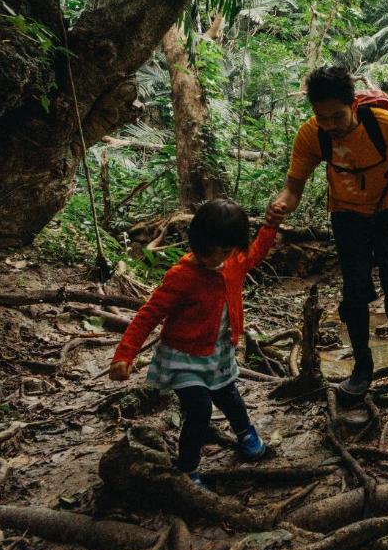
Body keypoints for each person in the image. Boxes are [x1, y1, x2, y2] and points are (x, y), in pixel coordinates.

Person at [272, 65, 388, 399]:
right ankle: (362, 368)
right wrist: (280, 206)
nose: (330, 125)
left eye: (337, 116)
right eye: (323, 118)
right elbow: (293, 188)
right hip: (347, 213)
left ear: (353, 106)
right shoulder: (311, 135)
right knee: (355, 291)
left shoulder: (383, 125)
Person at [109, 197, 285, 487]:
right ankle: (188, 468)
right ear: (196, 242)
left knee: (229, 396)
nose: (215, 258)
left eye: (224, 251)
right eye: (208, 252)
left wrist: (271, 223)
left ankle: (245, 433)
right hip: (183, 357)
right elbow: (148, 314)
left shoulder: (234, 263)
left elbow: (258, 251)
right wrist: (124, 354)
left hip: (218, 352)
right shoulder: (182, 276)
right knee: (200, 410)